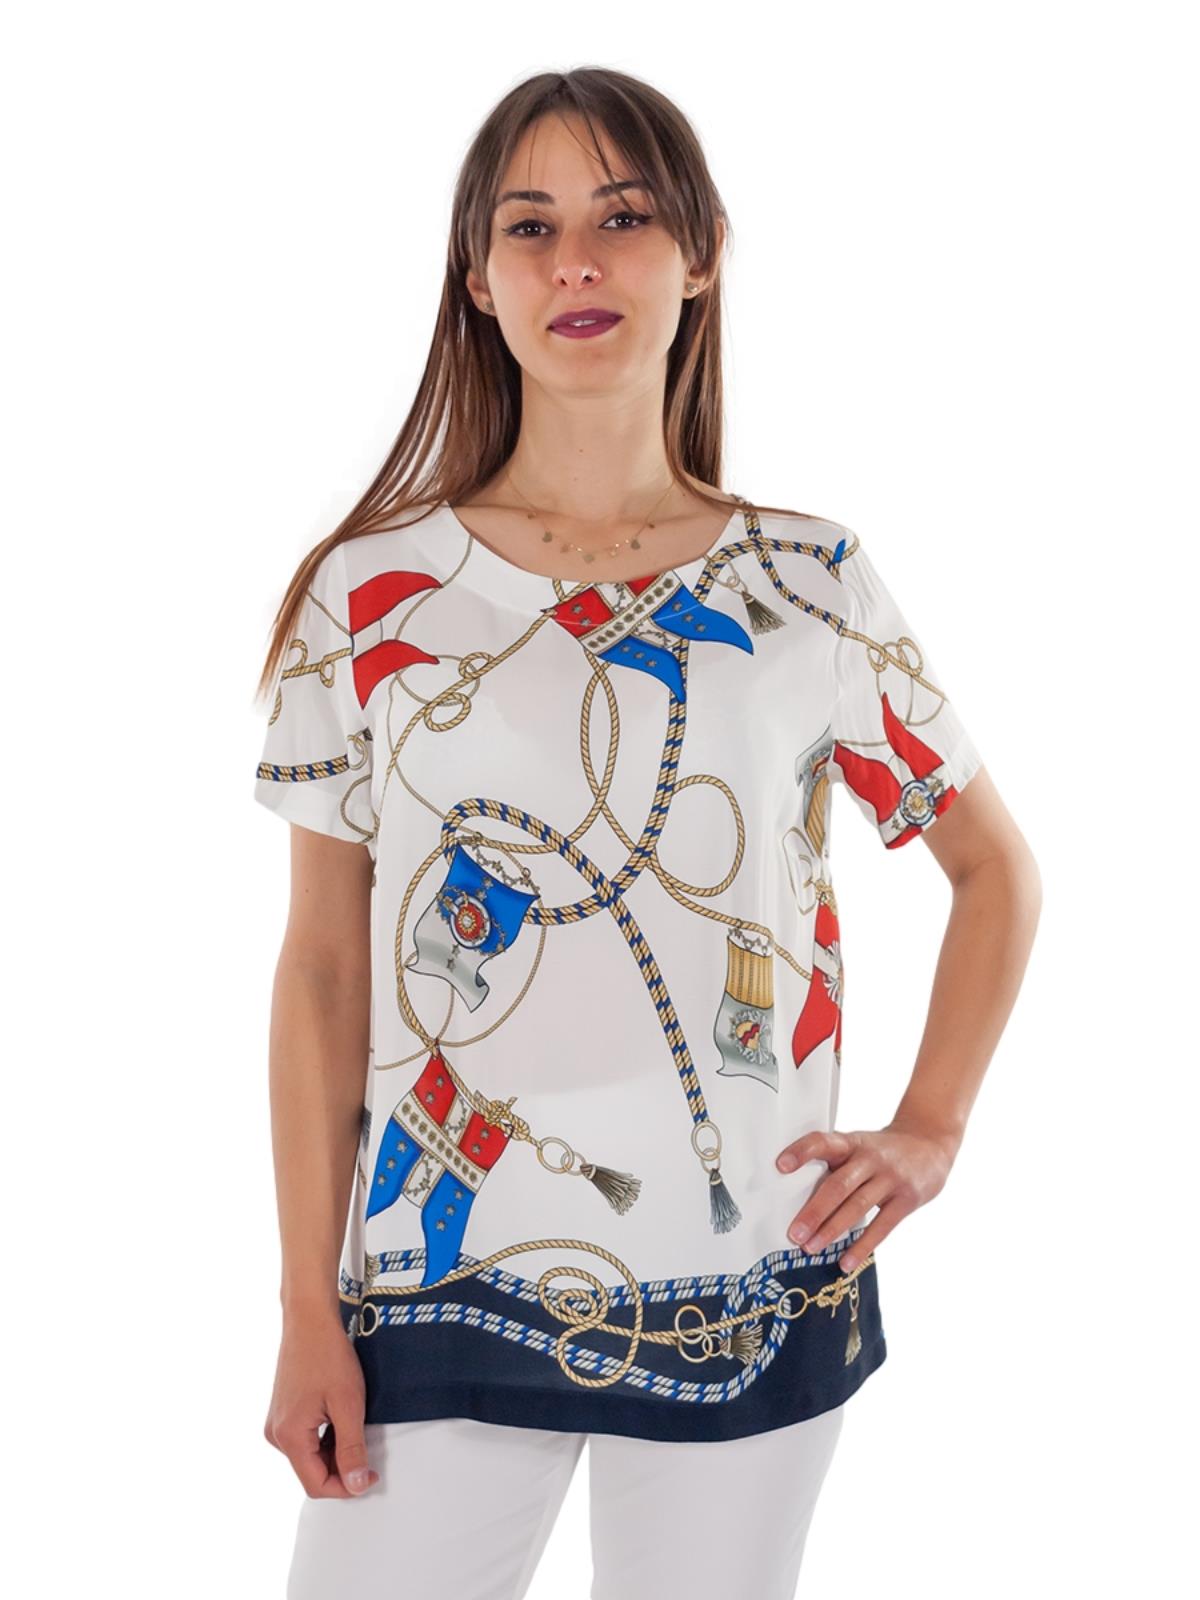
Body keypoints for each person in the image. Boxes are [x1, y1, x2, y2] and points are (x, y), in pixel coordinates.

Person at [252, 67, 1042, 1600]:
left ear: (702, 253)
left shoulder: (809, 584)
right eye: (530, 227)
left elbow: (994, 868)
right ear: (477, 278)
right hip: (440, 1284)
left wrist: (932, 1125)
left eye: (623, 219)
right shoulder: (369, 597)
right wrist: (304, 1306)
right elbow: (324, 973)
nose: (578, 263)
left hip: (749, 1275)